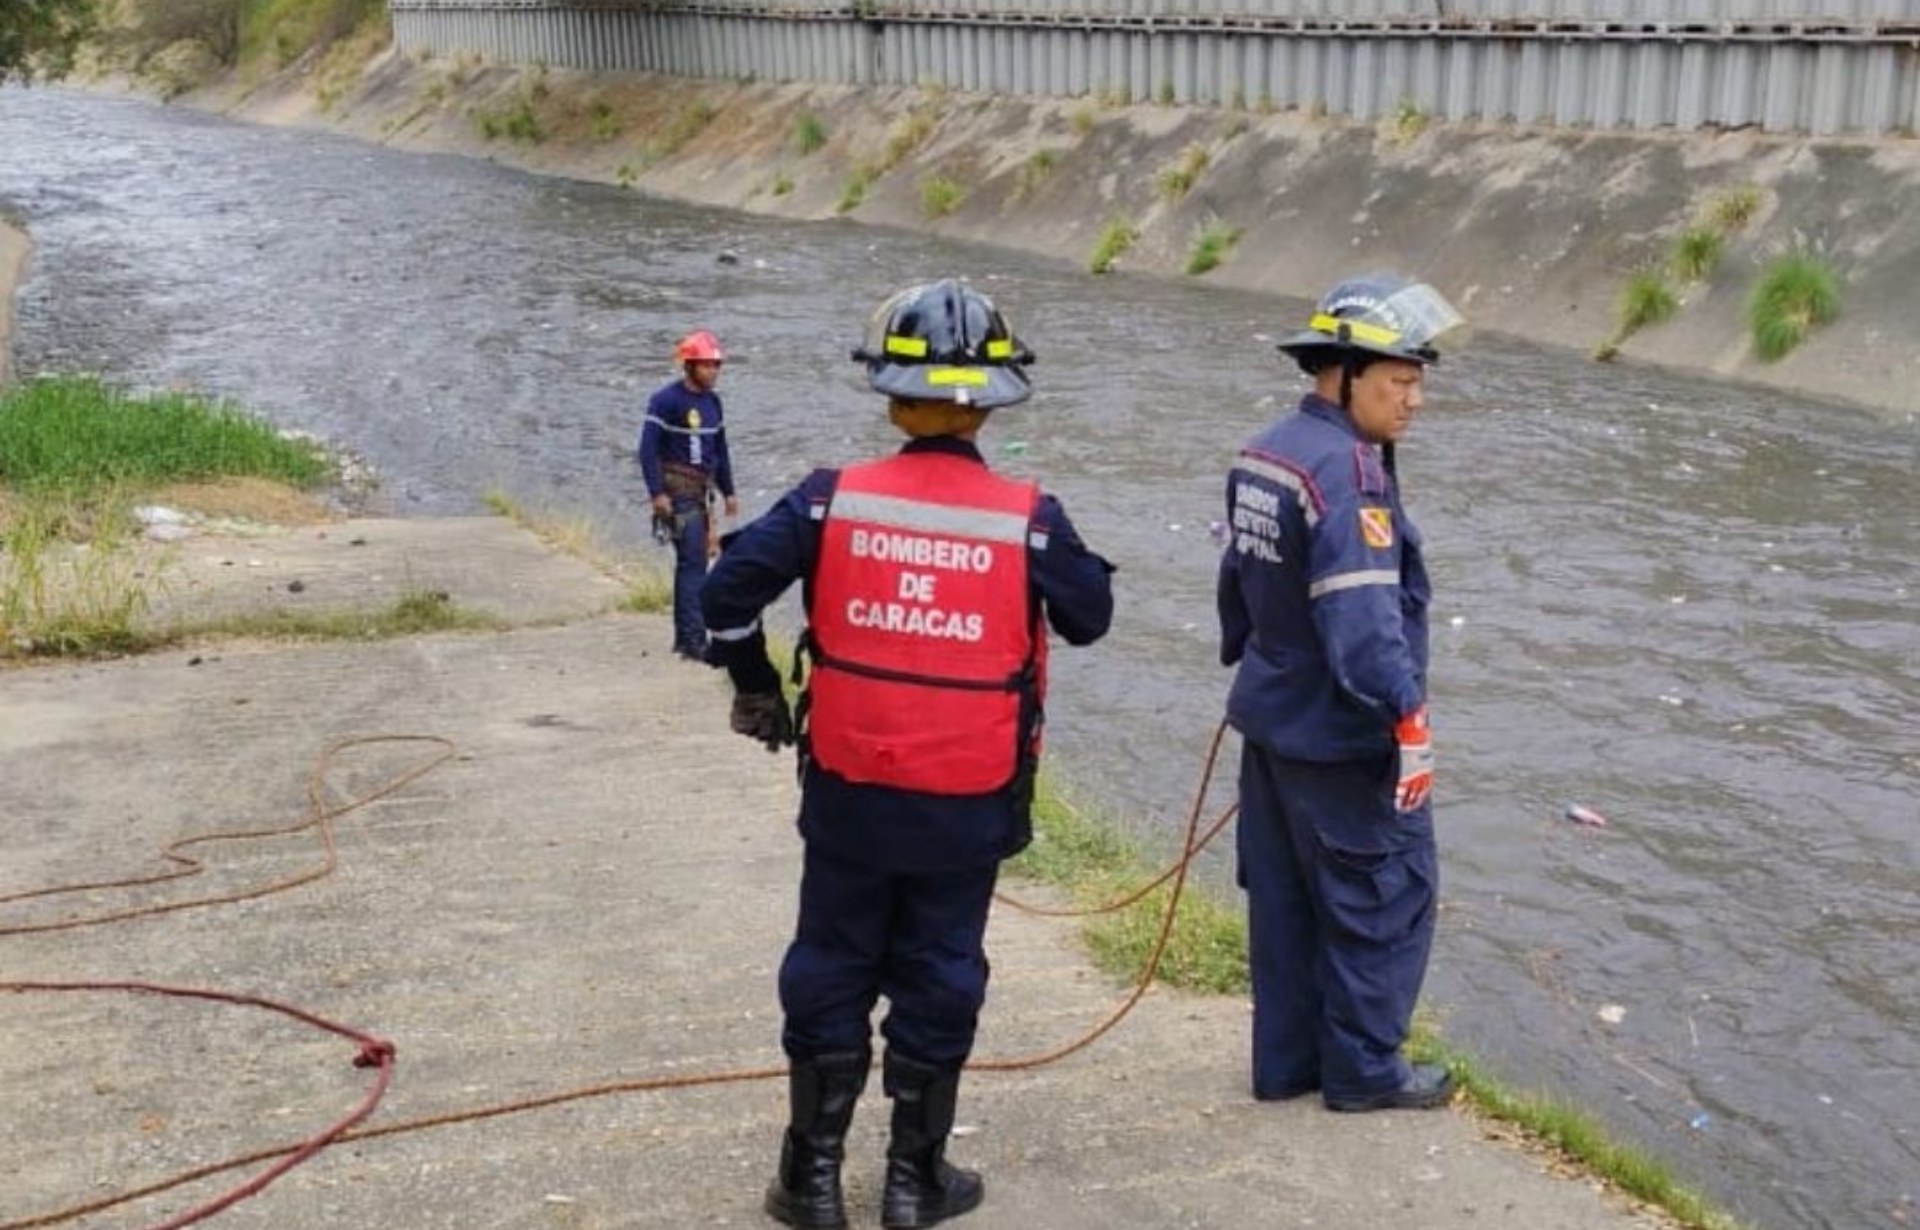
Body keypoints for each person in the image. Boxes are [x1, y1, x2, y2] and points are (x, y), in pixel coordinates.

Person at [701, 279, 1114, 1229]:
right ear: (990, 401)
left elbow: (724, 599)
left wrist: (754, 686)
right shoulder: (1029, 517)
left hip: (849, 787)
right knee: (941, 969)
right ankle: (912, 1182)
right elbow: (1090, 618)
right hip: (967, 802)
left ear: (891, 396)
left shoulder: (824, 502)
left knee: (831, 960)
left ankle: (809, 1183)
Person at [1215, 272, 1465, 1114]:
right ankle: (1364, 1071)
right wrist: (1408, 717)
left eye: (1417, 381)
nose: (1414, 400)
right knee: (1381, 898)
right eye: (1400, 381)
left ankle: (1287, 1064)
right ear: (1344, 374)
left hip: (1274, 724)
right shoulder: (1350, 475)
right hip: (1340, 735)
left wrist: (1255, 665)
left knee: (1285, 903)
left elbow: (1236, 587)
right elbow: (1365, 628)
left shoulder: (1266, 451)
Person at [638, 328, 740, 660]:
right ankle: (693, 641)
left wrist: (729, 491)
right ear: (690, 366)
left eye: (716, 365)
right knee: (692, 565)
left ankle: (688, 638)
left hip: (701, 494)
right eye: (706, 365)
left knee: (697, 564)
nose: (712, 371)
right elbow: (647, 449)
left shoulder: (714, 404)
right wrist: (656, 493)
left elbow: (719, 450)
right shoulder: (665, 401)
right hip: (678, 493)